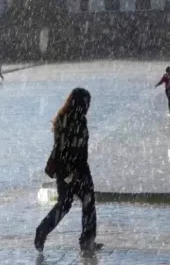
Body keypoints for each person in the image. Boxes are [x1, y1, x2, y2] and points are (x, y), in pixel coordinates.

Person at [35, 88, 98, 252]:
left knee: (83, 202)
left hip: (81, 168)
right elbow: (60, 148)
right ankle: (43, 231)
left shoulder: (80, 119)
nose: (88, 106)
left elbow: (81, 146)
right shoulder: (66, 120)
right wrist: (69, 172)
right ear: (78, 102)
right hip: (68, 168)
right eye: (86, 102)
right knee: (68, 203)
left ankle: (87, 240)